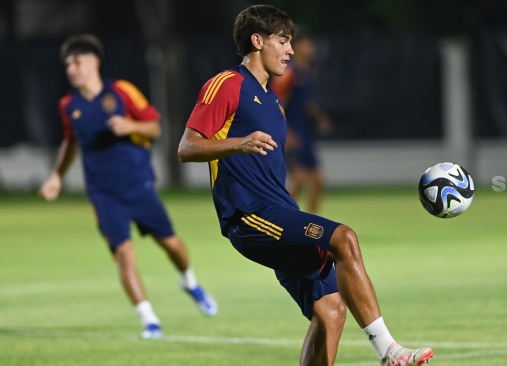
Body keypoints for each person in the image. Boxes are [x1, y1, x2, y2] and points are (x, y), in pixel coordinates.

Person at [177, 5, 433, 366]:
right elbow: (187, 148)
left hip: (281, 215)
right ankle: (390, 352)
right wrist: (240, 142)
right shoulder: (227, 85)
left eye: (291, 42)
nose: (291, 50)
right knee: (344, 238)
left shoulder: (274, 103)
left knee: (331, 310)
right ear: (257, 40)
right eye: (283, 41)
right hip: (249, 217)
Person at [39, 34, 217, 339]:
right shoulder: (69, 105)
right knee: (123, 253)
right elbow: (71, 140)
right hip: (102, 194)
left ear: (94, 62)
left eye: (77, 62)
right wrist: (57, 175)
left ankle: (189, 282)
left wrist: (130, 126)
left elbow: (154, 126)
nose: (72, 69)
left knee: (171, 244)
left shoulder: (121, 92)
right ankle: (150, 321)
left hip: (138, 186)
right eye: (68, 64)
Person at [269, 27, 332, 213]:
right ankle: (279, 218)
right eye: (306, 43)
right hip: (292, 131)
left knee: (317, 182)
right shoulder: (288, 72)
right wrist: (285, 131)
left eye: (311, 43)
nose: (310, 47)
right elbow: (274, 103)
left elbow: (306, 101)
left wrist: (320, 117)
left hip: (304, 131)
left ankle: (312, 224)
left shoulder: (309, 71)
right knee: (299, 180)